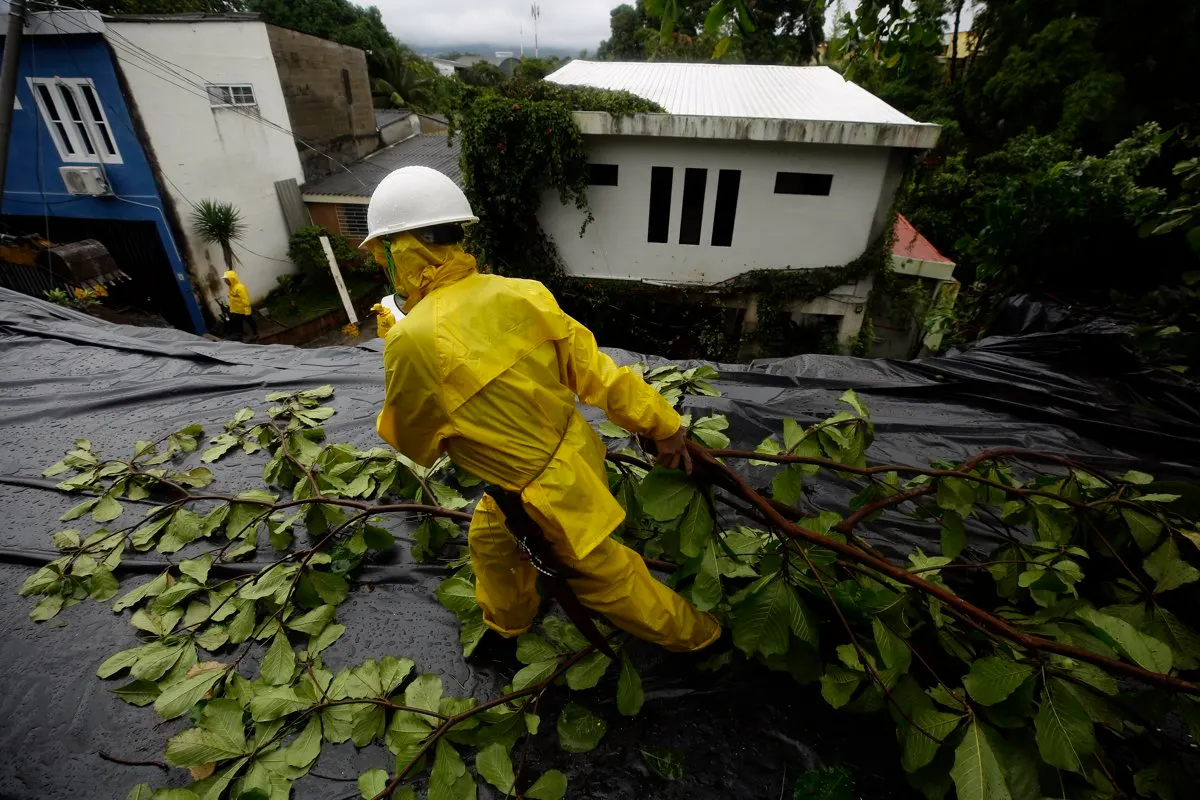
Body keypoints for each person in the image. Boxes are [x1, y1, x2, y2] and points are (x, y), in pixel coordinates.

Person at [366, 166, 720, 652]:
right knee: (492, 540)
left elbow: (415, 442)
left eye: (382, 252)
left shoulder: (412, 339)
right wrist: (664, 426)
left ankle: (701, 638)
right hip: (575, 453)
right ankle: (509, 624)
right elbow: (597, 372)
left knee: (605, 577)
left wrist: (400, 347)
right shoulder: (521, 292)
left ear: (400, 250)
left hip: (541, 496)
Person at [223, 270, 258, 340]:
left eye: (226, 280)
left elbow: (245, 299)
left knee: (250, 321)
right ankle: (239, 336)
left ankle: (256, 333)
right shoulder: (231, 287)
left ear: (231, 279)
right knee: (238, 323)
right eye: (225, 280)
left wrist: (247, 310)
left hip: (243, 310)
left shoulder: (240, 287)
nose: (225, 282)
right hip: (237, 310)